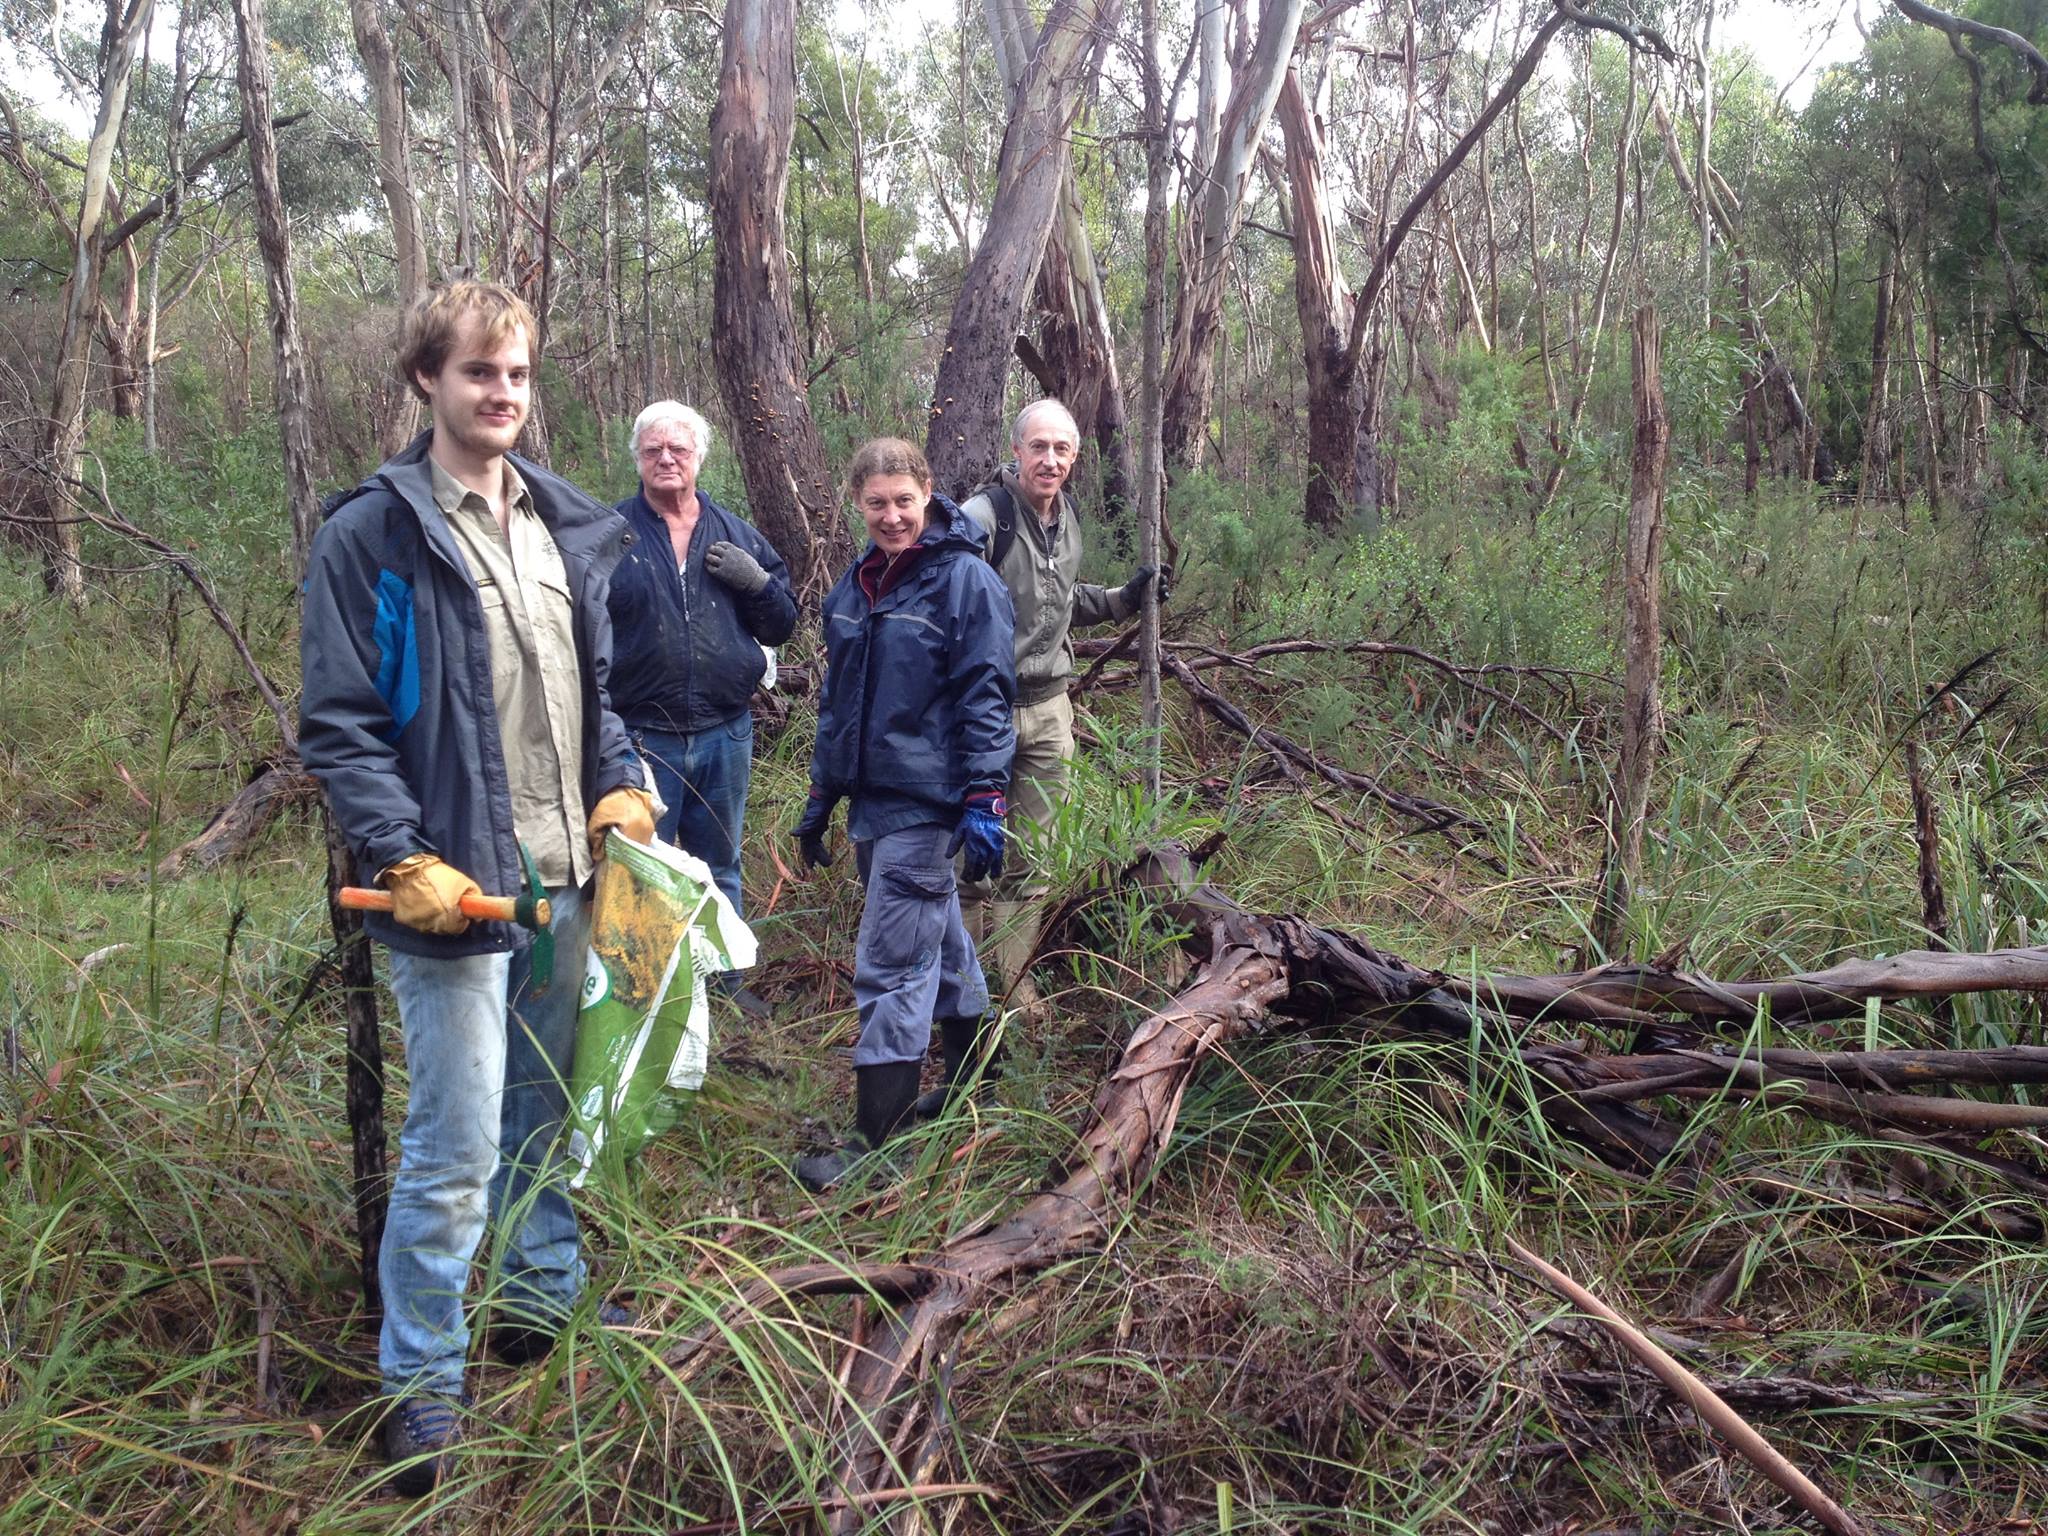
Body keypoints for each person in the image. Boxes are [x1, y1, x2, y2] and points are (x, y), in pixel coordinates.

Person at [298, 280, 656, 1495]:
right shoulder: (374, 537)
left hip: (563, 883)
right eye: (475, 373)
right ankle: (422, 1386)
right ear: (425, 383)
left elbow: (593, 696)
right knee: (452, 1145)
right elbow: (341, 724)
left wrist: (624, 784)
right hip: (452, 892)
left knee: (544, 1115)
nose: (500, 393)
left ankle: (535, 1301)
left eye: (515, 375)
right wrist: (401, 854)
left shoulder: (566, 526)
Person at [791, 437, 1016, 1191]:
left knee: (891, 969)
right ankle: (970, 1089)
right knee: (942, 948)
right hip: (872, 801)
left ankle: (875, 1151)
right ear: (859, 503)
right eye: (877, 503)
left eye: (904, 501)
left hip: (928, 804)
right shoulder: (854, 590)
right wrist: (822, 796)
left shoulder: (965, 581)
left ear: (929, 494)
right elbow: (836, 705)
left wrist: (986, 796)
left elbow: (986, 693)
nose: (892, 516)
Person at [950, 400, 1166, 1063]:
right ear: (1016, 450)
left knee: (1032, 855)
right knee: (970, 856)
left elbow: (1062, 599)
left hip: (1052, 709)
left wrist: (1126, 600)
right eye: (1038, 447)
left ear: (1073, 459)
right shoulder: (982, 518)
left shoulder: (1064, 517)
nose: (1050, 460)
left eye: (1062, 451)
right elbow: (940, 594)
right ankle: (963, 986)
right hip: (982, 711)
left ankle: (1011, 985)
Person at [606, 402, 796, 1019]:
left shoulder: (737, 534)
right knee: (642, 872)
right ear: (637, 458)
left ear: (699, 458)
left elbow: (783, 622)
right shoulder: (609, 536)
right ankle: (645, 1000)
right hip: (641, 738)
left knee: (721, 864)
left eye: (679, 449)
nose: (666, 459)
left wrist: (758, 584)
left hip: (724, 732)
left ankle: (726, 985)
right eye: (654, 449)